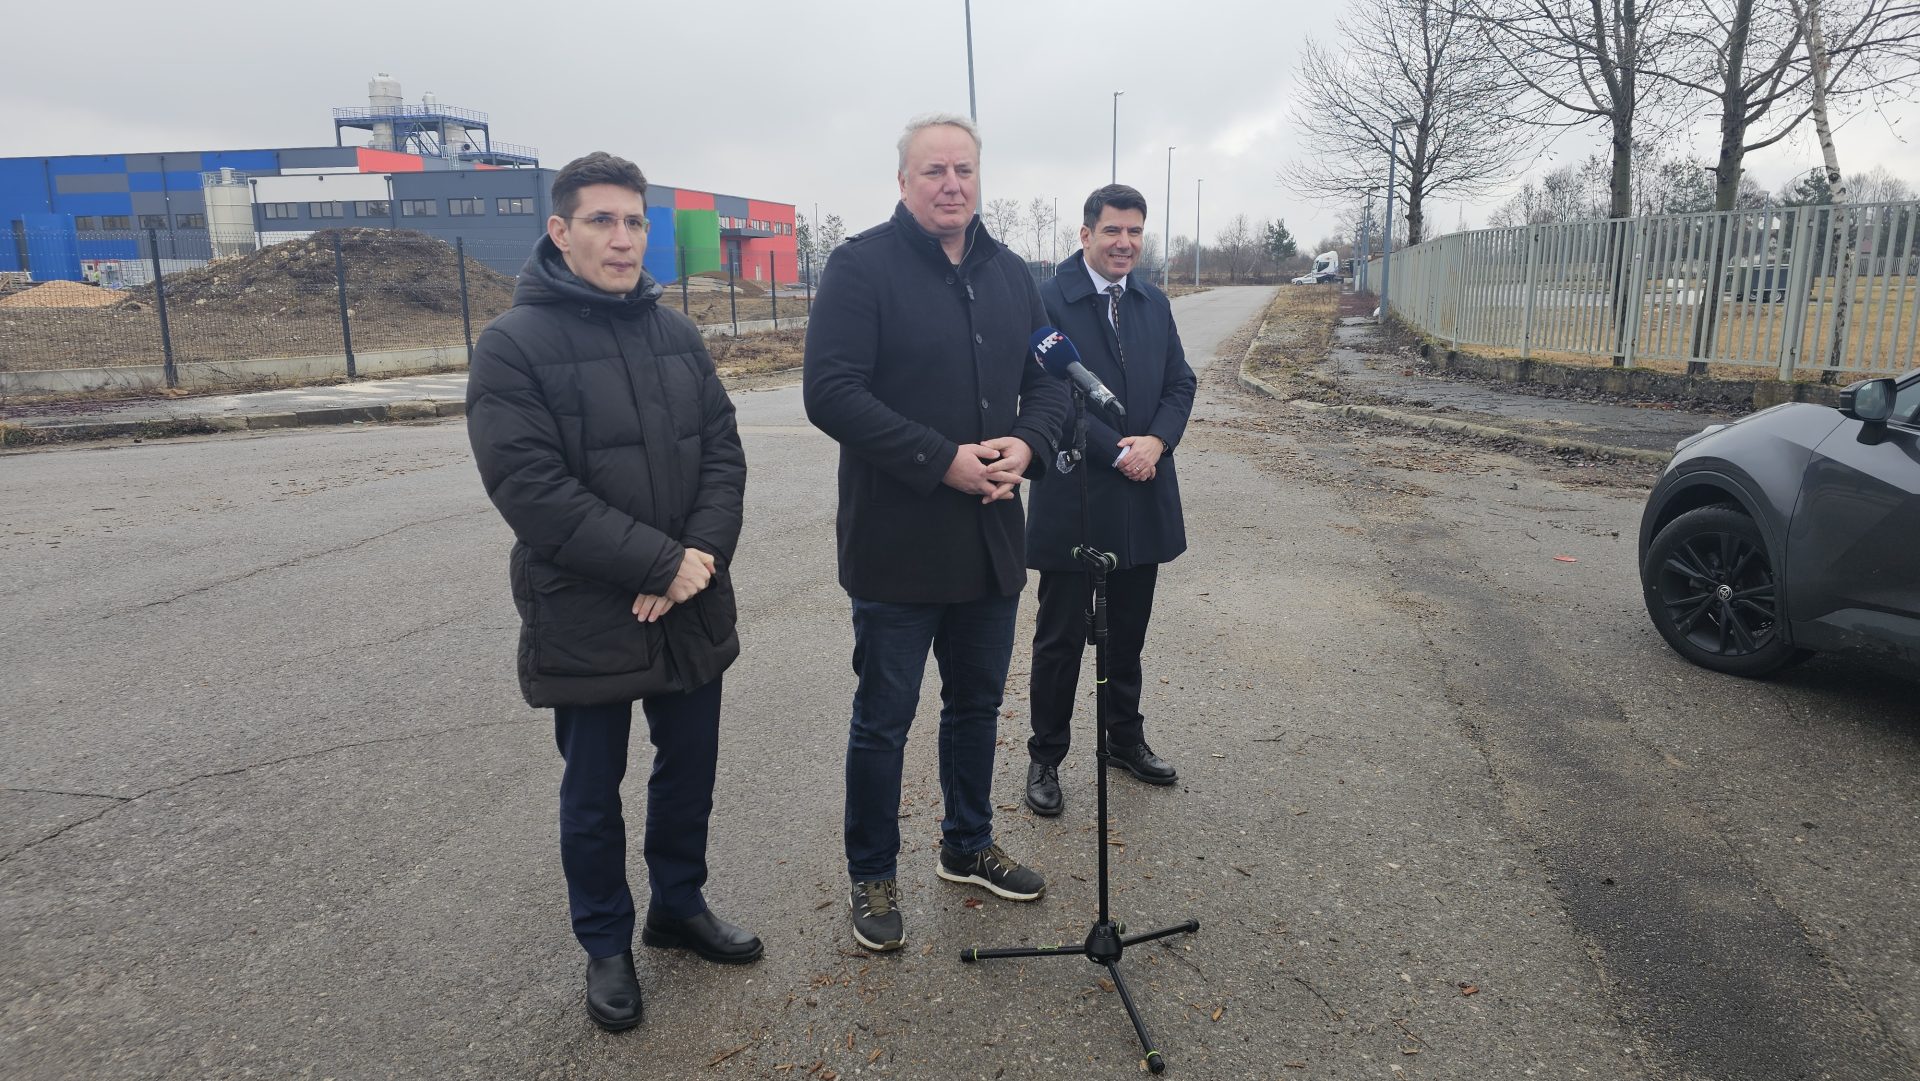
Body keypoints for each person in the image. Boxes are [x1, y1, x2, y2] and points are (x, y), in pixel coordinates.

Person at [465, 152, 759, 1033]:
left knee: (689, 768)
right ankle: (605, 942)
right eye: (602, 220)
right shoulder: (513, 345)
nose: (623, 238)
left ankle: (679, 905)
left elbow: (723, 454)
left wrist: (696, 558)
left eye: (634, 221)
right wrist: (656, 564)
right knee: (593, 789)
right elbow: (531, 488)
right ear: (560, 231)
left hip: (690, 596)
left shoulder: (677, 335)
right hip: (587, 608)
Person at [803, 114, 1072, 952]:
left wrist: (1027, 444)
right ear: (903, 182)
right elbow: (831, 392)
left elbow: (1049, 379)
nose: (951, 184)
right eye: (934, 171)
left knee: (977, 705)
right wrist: (939, 459)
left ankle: (967, 843)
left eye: (964, 170)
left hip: (990, 538)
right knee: (884, 718)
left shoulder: (1012, 274)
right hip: (897, 542)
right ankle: (872, 872)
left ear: (979, 178)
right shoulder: (861, 268)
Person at [1022, 184, 1196, 817]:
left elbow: (1180, 383)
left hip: (1143, 491)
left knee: (1128, 633)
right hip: (1078, 494)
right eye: (1113, 231)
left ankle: (1123, 738)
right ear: (1085, 234)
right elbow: (1043, 394)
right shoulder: (1047, 301)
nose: (1125, 243)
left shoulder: (1153, 302)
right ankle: (1046, 756)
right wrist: (1115, 451)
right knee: (1061, 639)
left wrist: (1156, 442)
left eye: (1135, 232)